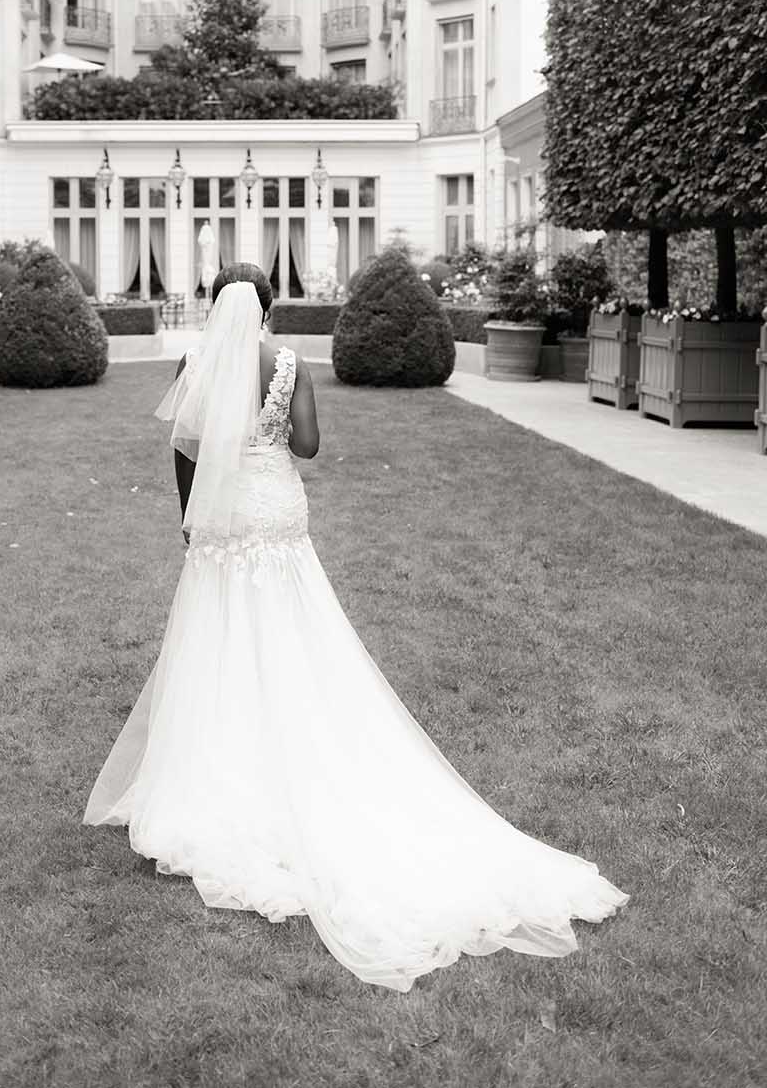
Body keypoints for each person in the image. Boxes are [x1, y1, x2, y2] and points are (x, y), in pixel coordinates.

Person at [83, 263, 628, 992]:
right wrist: (275, 424)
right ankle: (302, 726)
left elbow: (183, 451)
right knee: (294, 629)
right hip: (275, 508)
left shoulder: (196, 362)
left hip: (222, 519)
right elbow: (306, 447)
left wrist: (193, 518)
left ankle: (221, 755)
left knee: (217, 636)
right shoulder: (289, 361)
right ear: (270, 307)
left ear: (218, 308)